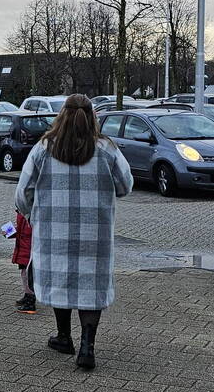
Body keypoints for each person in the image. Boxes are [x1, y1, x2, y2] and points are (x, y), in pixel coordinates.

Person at [16, 93, 133, 370]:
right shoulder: (106, 148)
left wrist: (31, 214)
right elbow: (125, 185)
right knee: (90, 286)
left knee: (61, 280)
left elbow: (24, 192)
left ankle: (64, 336)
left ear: (61, 115)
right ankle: (87, 347)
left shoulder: (44, 148)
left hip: (53, 232)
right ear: (93, 116)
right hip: (96, 234)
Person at [10, 212, 36, 313]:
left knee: (28, 275)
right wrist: (10, 232)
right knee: (24, 274)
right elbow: (21, 230)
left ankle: (30, 301)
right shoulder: (22, 213)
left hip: (29, 251)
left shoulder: (31, 215)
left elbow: (27, 232)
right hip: (24, 249)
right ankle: (27, 295)